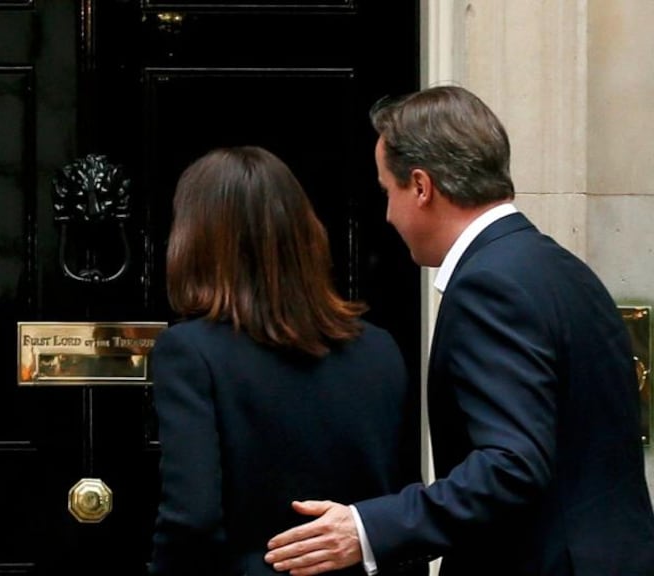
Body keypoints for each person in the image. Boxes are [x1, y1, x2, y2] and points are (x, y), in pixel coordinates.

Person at [264, 85, 654, 576]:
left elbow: (511, 466)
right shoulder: (562, 268)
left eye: (389, 191)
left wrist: (366, 528)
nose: (387, 214)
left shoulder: (490, 284)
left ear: (422, 187)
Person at [148, 146, 426, 576]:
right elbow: (402, 504)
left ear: (195, 239)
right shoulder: (380, 348)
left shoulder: (188, 351)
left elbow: (193, 517)